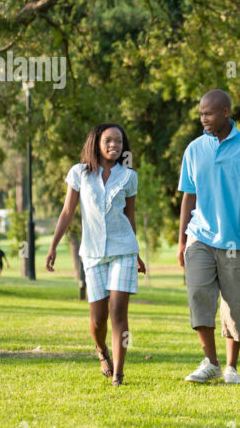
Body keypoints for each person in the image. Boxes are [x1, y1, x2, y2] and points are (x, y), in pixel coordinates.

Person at [46, 123, 146, 387]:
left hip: (123, 250)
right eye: (109, 140)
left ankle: (119, 374)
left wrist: (136, 253)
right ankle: (102, 352)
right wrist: (53, 246)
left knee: (118, 313)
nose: (114, 145)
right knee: (97, 318)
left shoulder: (129, 176)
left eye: (119, 142)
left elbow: (130, 216)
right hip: (92, 254)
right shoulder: (79, 173)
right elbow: (67, 211)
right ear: (96, 142)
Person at [178, 89, 240, 384]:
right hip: (199, 234)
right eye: (201, 114)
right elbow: (189, 197)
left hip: (237, 237)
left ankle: (231, 367)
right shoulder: (194, 149)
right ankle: (210, 362)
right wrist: (181, 240)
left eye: (209, 113)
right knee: (198, 293)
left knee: (235, 302)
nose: (204, 119)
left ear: (226, 112)